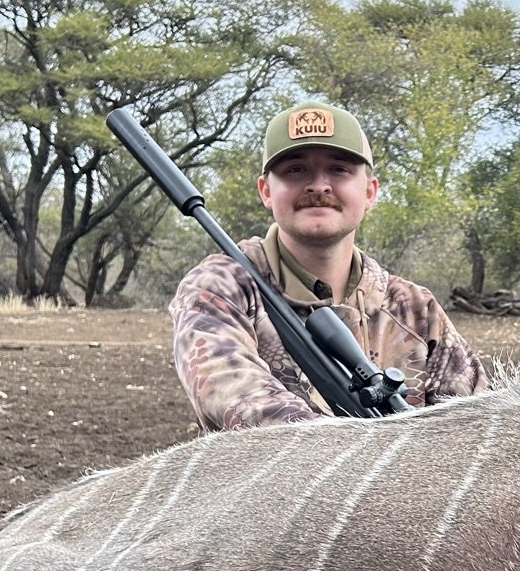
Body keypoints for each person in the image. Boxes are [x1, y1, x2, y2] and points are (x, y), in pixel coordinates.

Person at [171, 102, 488, 429]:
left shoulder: (417, 309)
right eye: (295, 170)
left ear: (370, 191)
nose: (319, 186)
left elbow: (478, 428)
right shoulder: (221, 287)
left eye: (339, 169)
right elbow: (239, 401)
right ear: (266, 191)